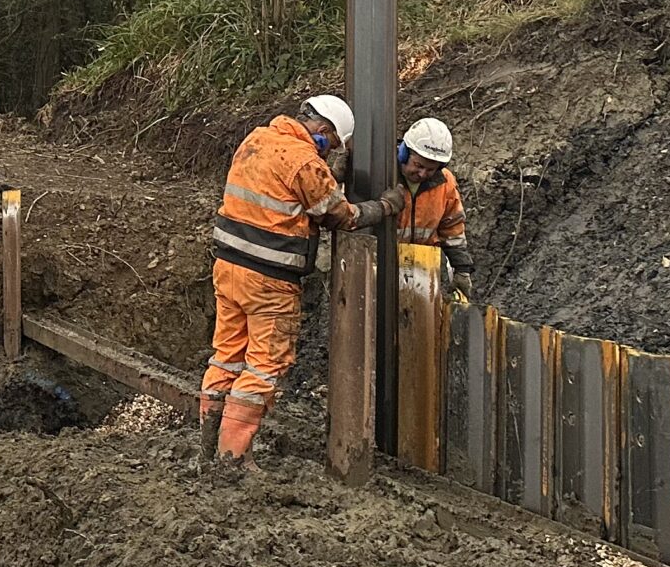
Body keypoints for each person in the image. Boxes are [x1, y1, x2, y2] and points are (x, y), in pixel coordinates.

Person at [199, 93, 395, 463]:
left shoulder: (257, 139)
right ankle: (232, 460)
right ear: (322, 131)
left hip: (228, 270)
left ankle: (207, 450)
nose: (328, 153)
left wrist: (328, 175)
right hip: (269, 281)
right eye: (331, 145)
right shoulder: (304, 160)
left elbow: (285, 191)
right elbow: (338, 215)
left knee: (226, 357)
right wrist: (383, 207)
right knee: (263, 366)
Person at [394, 117, 474, 299]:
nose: (422, 174)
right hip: (382, 267)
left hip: (422, 270)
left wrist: (462, 269)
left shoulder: (445, 183)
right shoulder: (382, 174)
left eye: (430, 170)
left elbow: (453, 228)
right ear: (404, 153)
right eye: (418, 165)